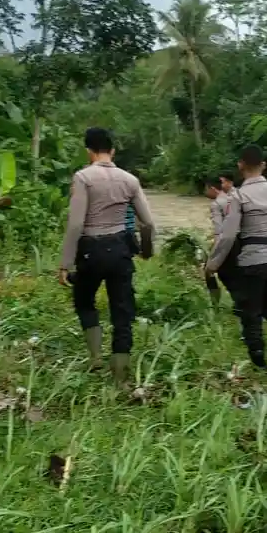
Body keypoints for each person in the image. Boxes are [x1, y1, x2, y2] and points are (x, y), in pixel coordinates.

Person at [59, 127, 155, 383]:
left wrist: (66, 263)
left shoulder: (83, 178)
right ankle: (121, 374)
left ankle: (96, 358)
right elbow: (147, 223)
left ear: (89, 151)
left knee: (84, 300)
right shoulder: (130, 180)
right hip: (121, 249)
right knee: (122, 309)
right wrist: (146, 250)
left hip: (92, 249)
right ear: (112, 151)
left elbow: (76, 224)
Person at [205, 144, 267, 368]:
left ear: (240, 165)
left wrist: (213, 265)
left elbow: (228, 236)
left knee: (251, 311)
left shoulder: (238, 197)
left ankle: (259, 362)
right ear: (264, 165)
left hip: (252, 261)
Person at [203, 176, 231, 305]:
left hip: (227, 243)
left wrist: (213, 256)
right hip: (242, 242)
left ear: (212, 189)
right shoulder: (233, 199)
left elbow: (219, 232)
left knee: (209, 271)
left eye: (206, 189)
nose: (205, 192)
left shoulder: (217, 204)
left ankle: (215, 303)